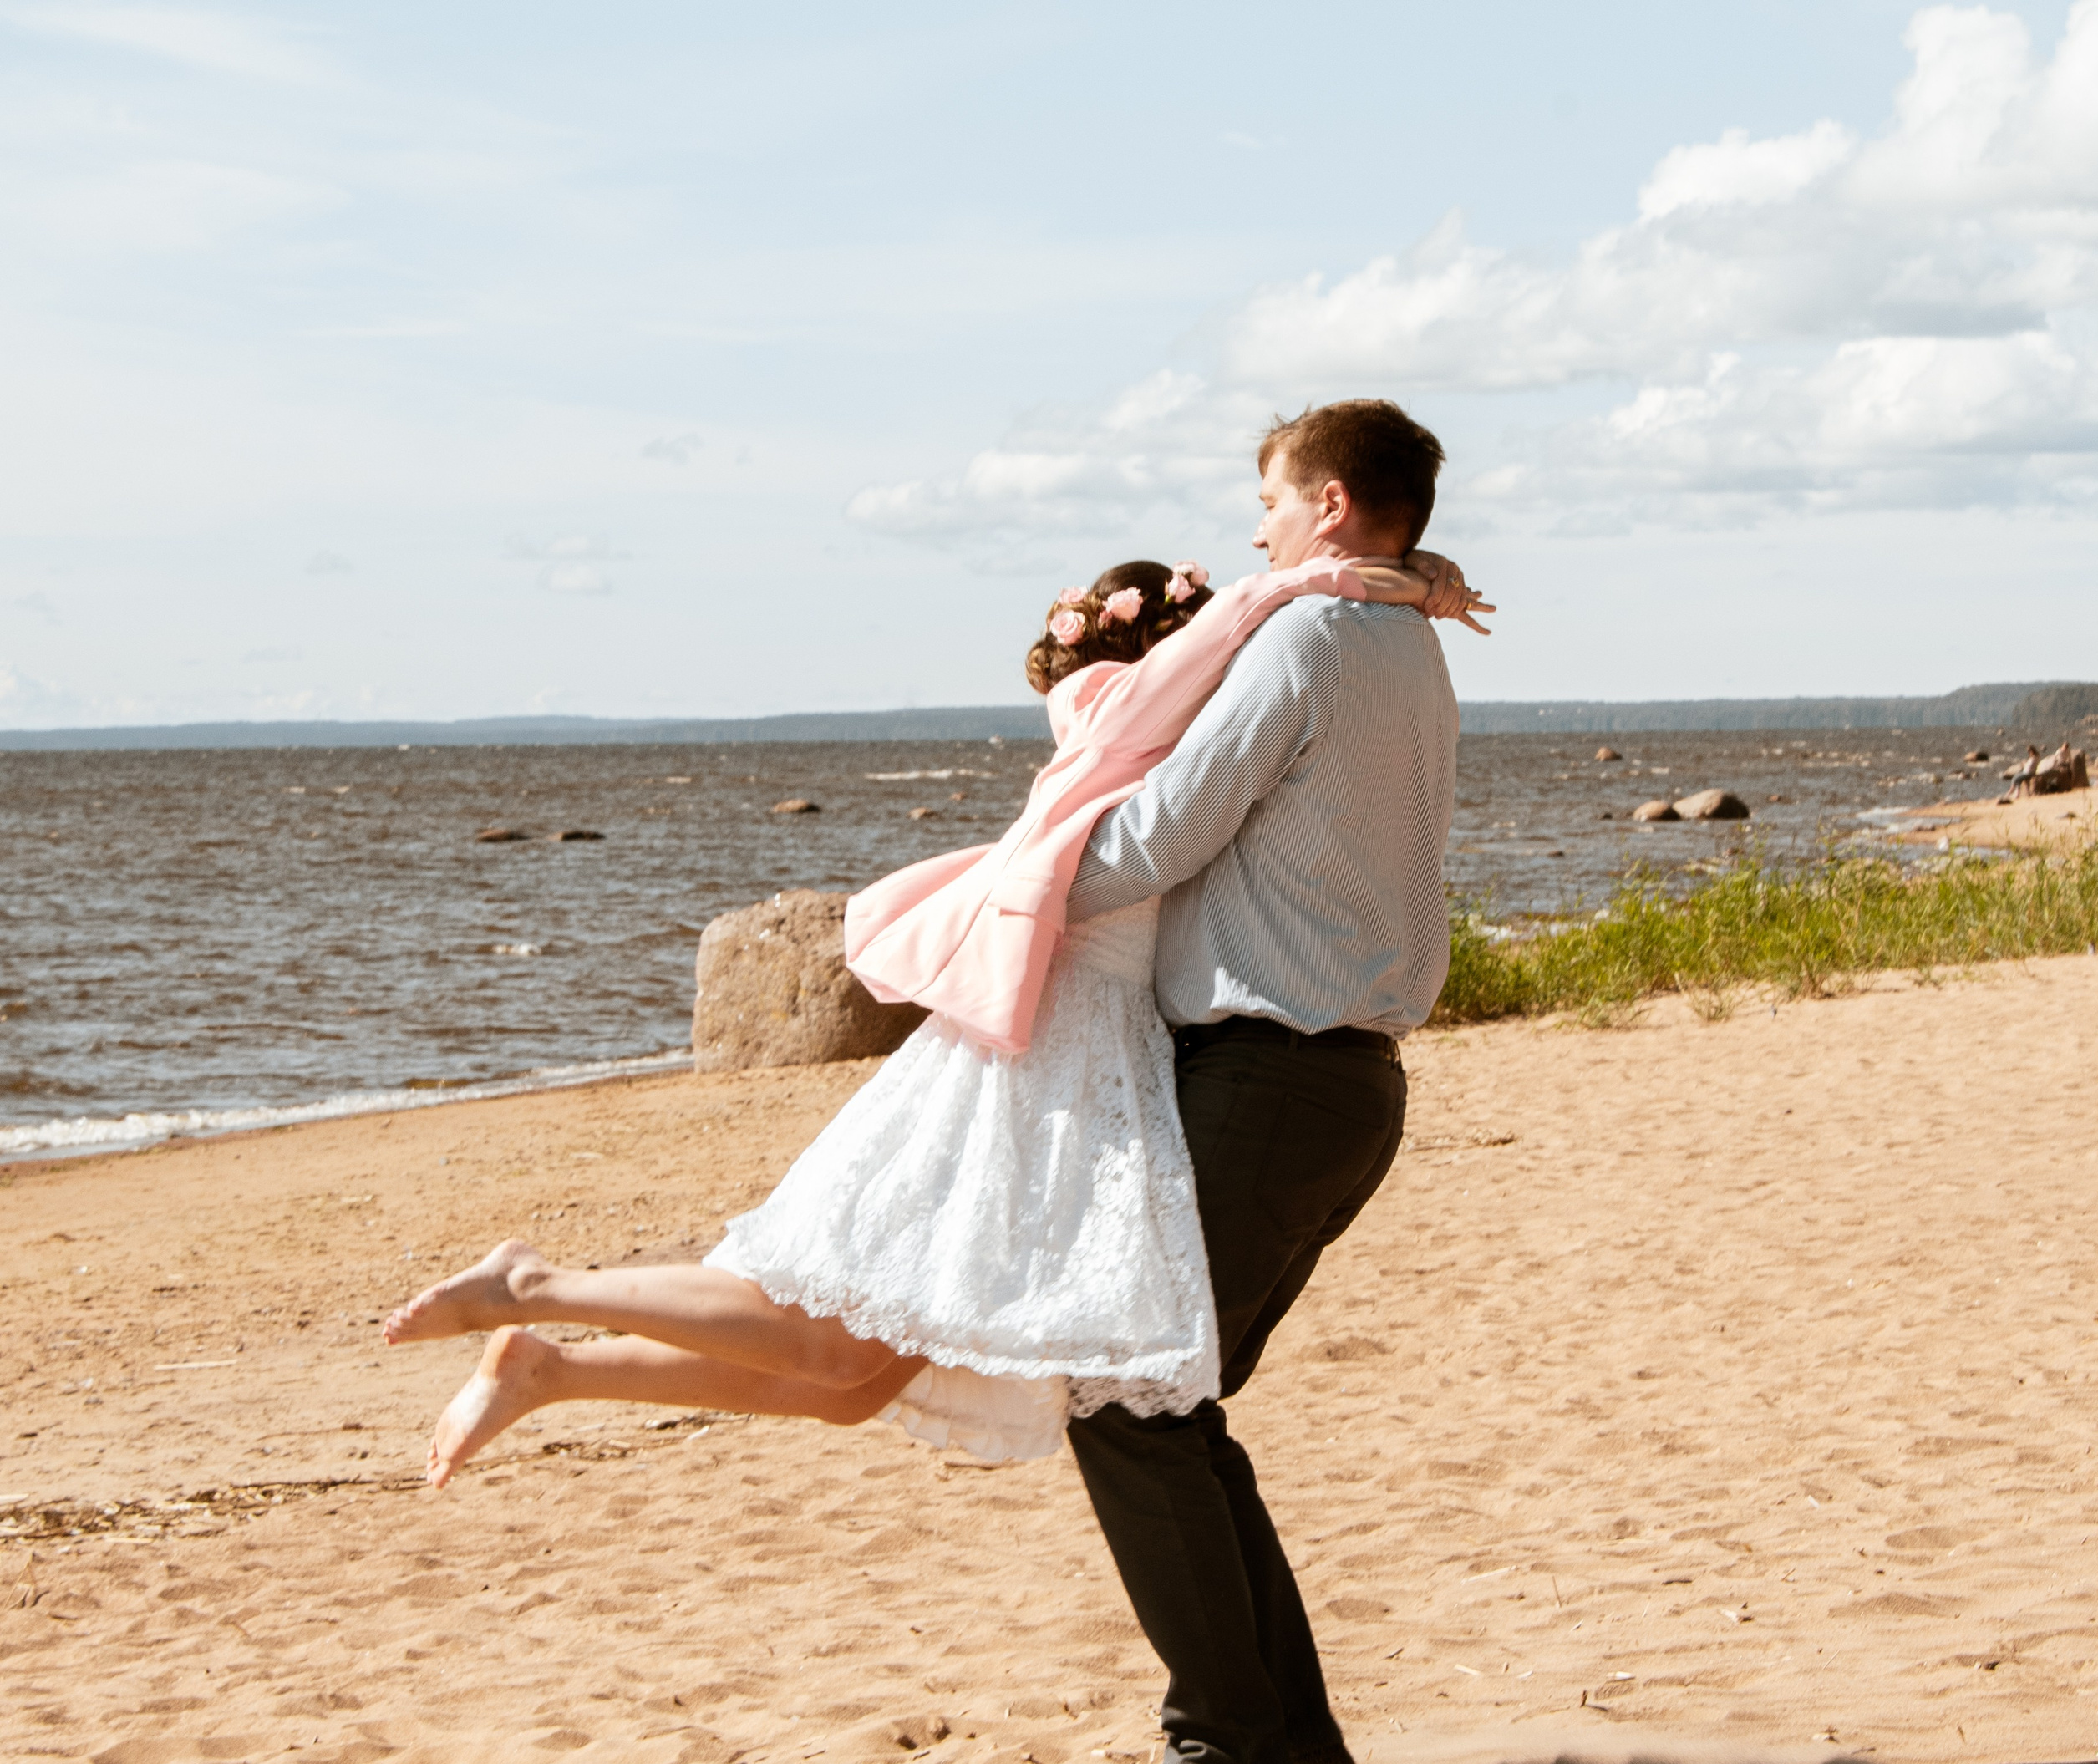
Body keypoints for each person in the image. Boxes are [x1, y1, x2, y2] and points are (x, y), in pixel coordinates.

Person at [385, 539, 1484, 1489]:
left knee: (851, 1382)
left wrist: (1406, 583)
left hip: (1086, 1071)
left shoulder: (1172, 717)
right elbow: (1243, 637)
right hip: (1020, 1073)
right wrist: (1322, 582)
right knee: (817, 1322)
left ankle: (549, 1365)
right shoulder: (1113, 711)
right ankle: (537, 1284)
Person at [1055, 398, 1464, 1764]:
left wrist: (1018, 882)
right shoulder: (1402, 635)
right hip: (1337, 1086)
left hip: (1272, 1077)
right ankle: (1282, 1740)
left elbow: (1166, 831)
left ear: (1337, 507)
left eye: (1278, 503)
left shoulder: (1307, 638)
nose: (1259, 529)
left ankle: (1233, 1744)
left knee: (1124, 1400)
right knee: (1171, 1402)